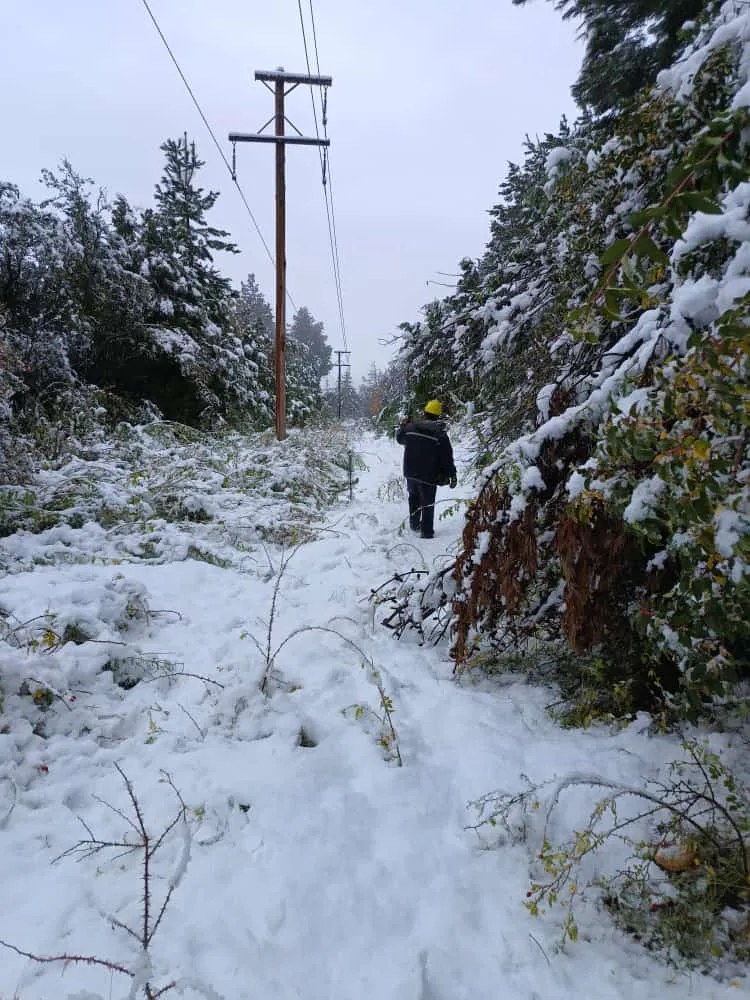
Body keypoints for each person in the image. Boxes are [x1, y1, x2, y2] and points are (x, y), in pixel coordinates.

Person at [396, 399, 457, 539]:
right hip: (429, 476)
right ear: (439, 416)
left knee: (414, 498)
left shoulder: (410, 428)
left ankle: (414, 525)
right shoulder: (440, 435)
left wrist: (402, 426)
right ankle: (427, 532)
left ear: (424, 413)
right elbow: (447, 459)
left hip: (410, 473)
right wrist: (452, 475)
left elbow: (399, 439)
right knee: (427, 504)